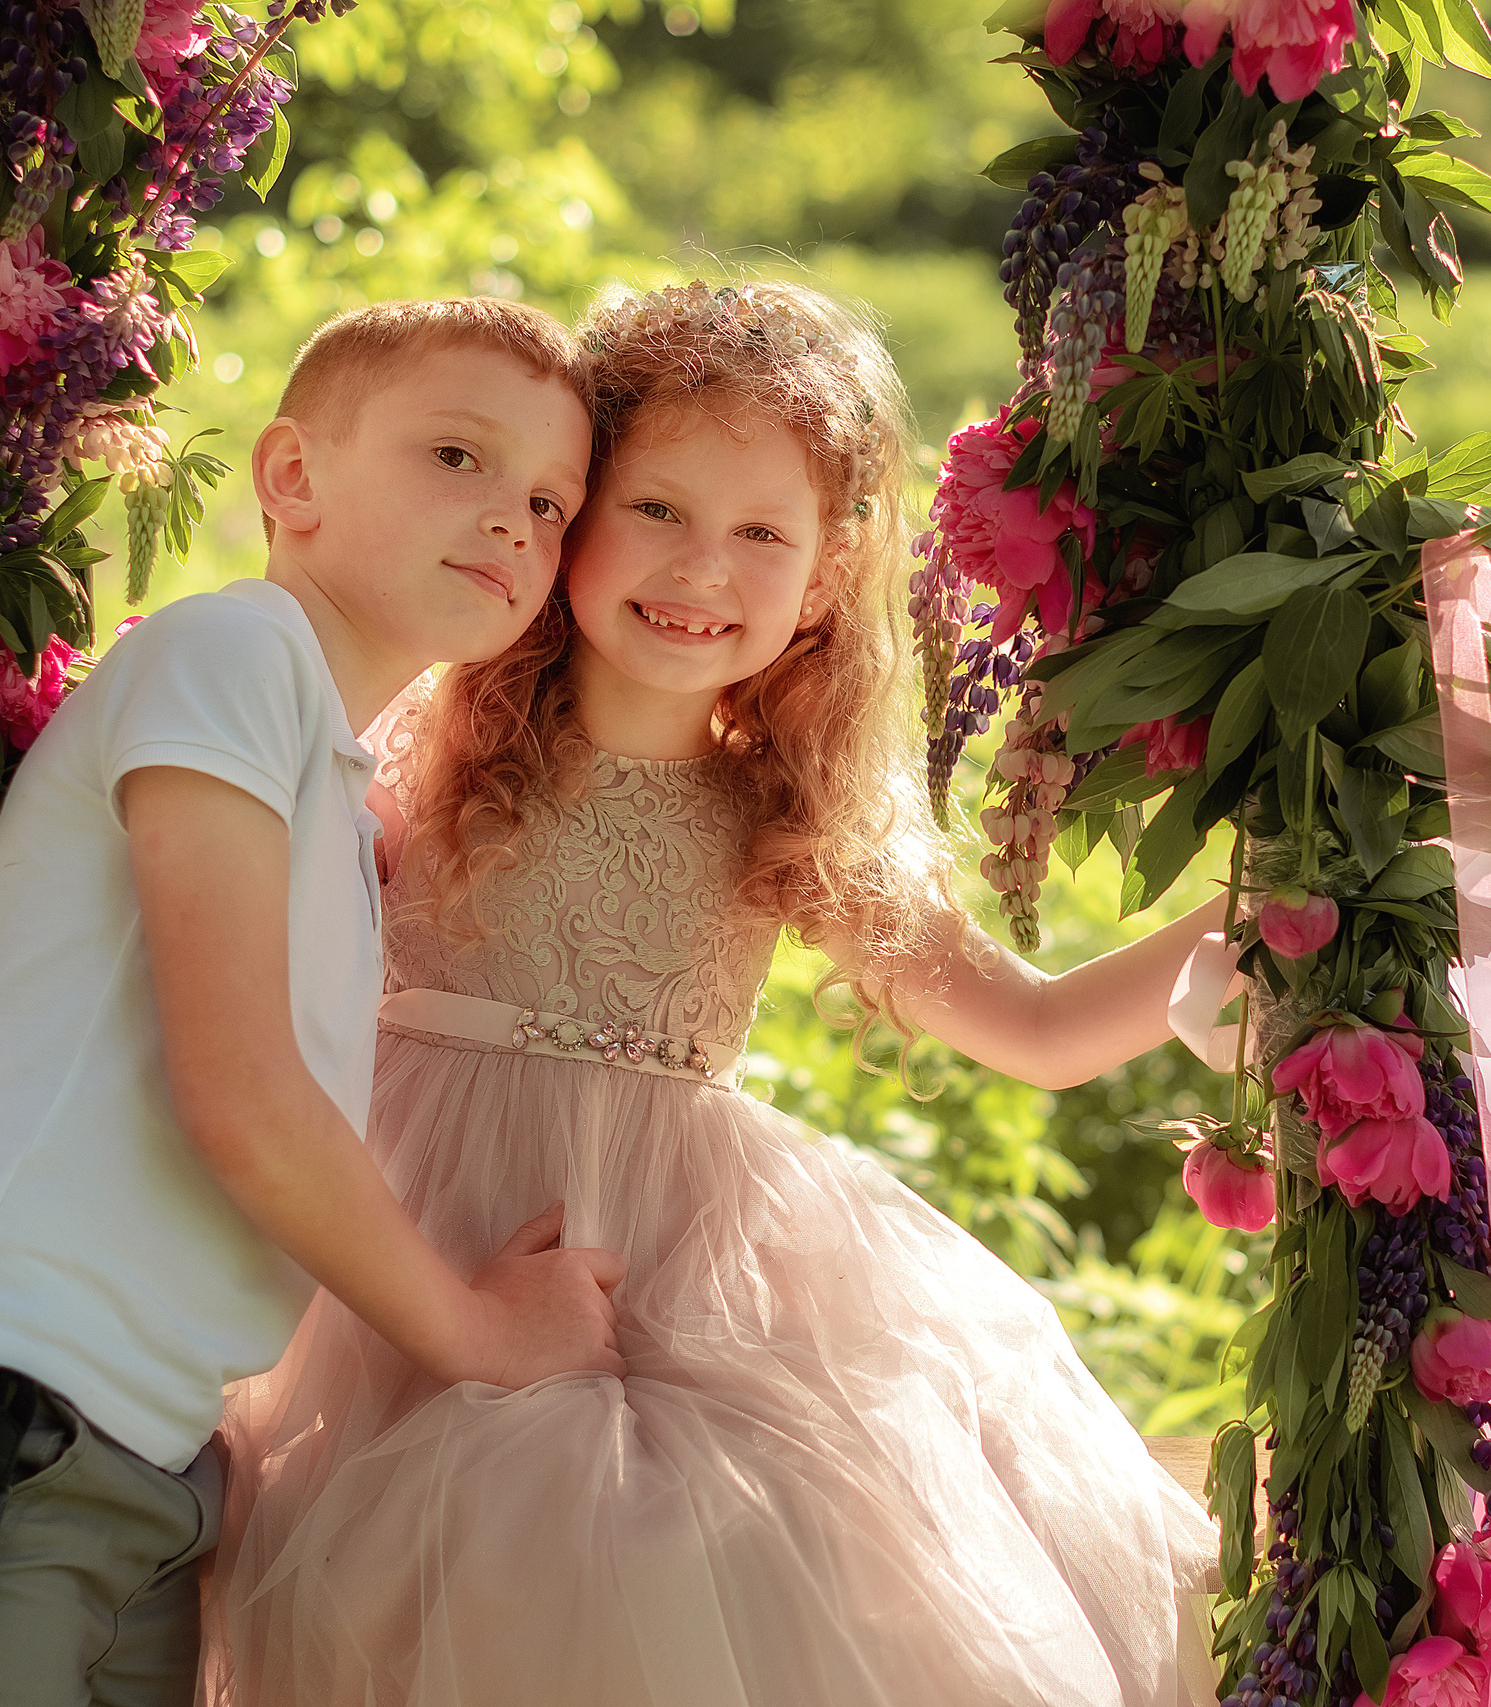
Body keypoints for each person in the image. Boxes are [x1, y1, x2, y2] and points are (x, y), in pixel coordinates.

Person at [207, 281, 1228, 1707]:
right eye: (658, 511)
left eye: (762, 534)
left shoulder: (785, 803)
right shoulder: (418, 729)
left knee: (705, 1571)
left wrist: (1246, 931)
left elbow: (1038, 1031)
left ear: (822, 578)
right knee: (420, 1594)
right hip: (402, 1251)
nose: (703, 572)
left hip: (665, 1275)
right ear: (572, 515)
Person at [0, 297, 625, 1707]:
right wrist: (479, 1333)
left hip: (136, 1449)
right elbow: (239, 1095)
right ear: (291, 479)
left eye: (550, 500)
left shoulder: (334, 791)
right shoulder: (231, 659)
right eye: (458, 458)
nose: (515, 521)